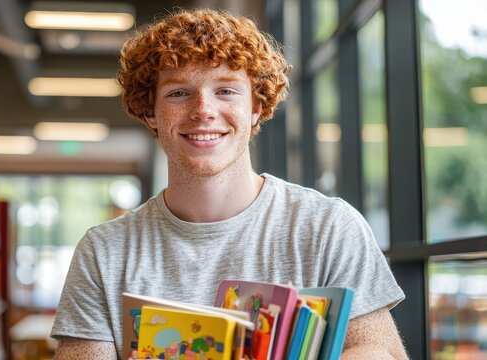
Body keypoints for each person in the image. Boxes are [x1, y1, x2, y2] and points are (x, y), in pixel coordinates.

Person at [51, 8, 408, 360]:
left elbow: (380, 350)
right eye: (178, 93)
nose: (203, 109)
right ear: (150, 112)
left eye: (225, 91)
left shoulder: (328, 227)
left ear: (256, 107)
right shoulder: (104, 252)